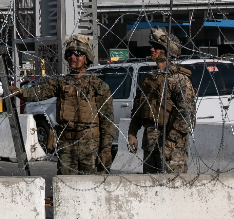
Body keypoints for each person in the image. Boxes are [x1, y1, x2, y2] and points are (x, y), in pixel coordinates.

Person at [14, 34, 115, 175]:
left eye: (77, 53)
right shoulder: (61, 83)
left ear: (86, 58)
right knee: (65, 183)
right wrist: (20, 92)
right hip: (66, 146)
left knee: (91, 184)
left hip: (90, 147)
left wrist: (105, 149)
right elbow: (39, 92)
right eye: (69, 54)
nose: (72, 57)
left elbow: (107, 121)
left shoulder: (98, 86)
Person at [128, 28, 197, 173]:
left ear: (168, 51)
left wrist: (170, 142)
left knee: (174, 184)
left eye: (157, 47)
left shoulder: (179, 81)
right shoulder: (149, 80)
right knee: (150, 184)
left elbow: (187, 116)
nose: (152, 49)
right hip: (150, 145)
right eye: (152, 46)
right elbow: (138, 109)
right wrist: (132, 132)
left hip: (172, 148)